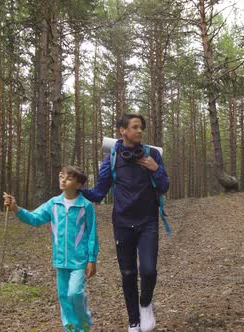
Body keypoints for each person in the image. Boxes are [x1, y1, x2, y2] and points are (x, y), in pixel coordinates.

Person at [80, 113, 169, 332]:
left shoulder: (153, 155)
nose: (140, 131)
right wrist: (78, 190)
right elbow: (99, 192)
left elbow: (164, 186)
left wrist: (155, 169)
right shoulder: (111, 158)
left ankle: (145, 304)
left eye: (141, 128)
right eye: (135, 127)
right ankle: (133, 321)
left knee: (148, 270)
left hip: (148, 221)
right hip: (122, 222)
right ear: (122, 130)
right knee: (128, 274)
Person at [3, 166, 99, 332]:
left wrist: (92, 259)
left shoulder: (86, 206)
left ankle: (84, 326)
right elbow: (35, 218)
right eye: (61, 176)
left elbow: (92, 234)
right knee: (64, 298)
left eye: (68, 178)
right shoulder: (53, 204)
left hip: (79, 260)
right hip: (60, 260)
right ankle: (70, 329)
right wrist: (16, 209)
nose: (63, 180)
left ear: (78, 185)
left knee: (75, 294)